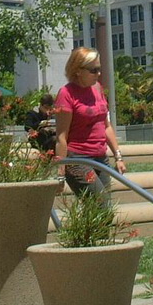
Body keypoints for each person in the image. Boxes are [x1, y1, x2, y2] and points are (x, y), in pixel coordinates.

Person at [54, 47, 125, 196]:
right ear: (78, 71)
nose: (98, 74)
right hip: (78, 160)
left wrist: (118, 156)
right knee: (101, 203)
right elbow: (61, 136)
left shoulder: (97, 89)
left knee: (103, 207)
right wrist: (60, 173)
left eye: (99, 69)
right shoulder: (66, 94)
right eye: (93, 70)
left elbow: (106, 126)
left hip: (101, 158)